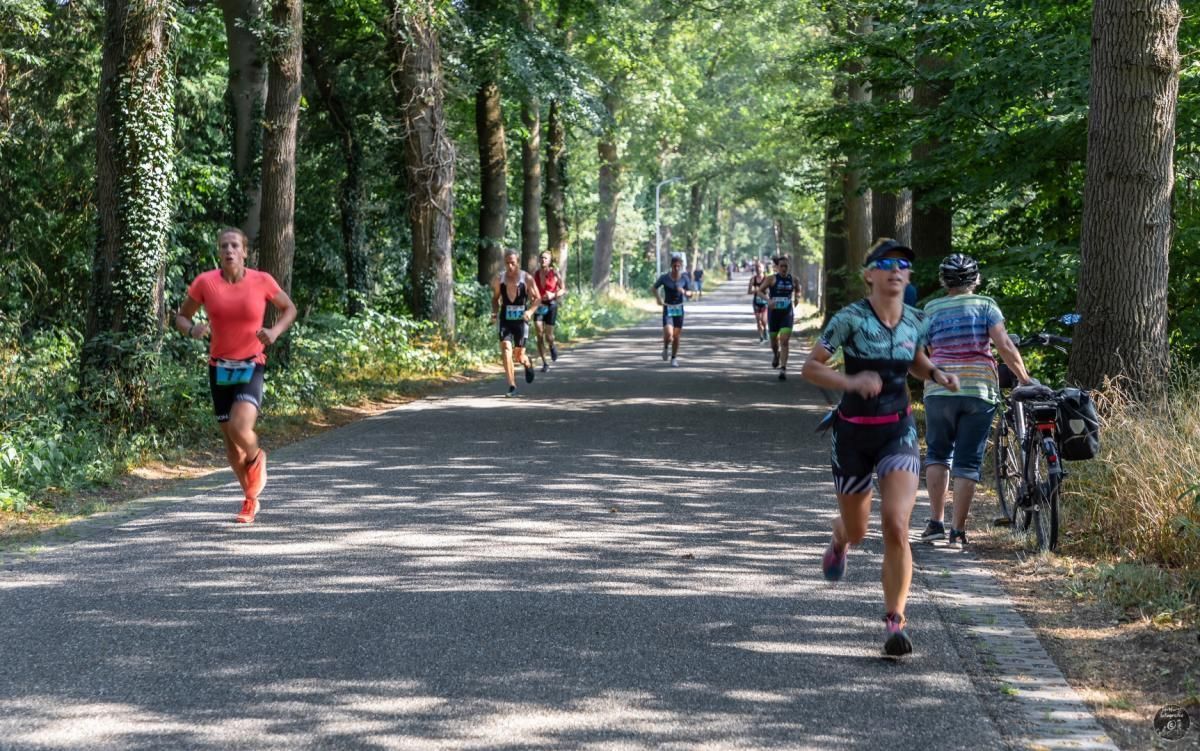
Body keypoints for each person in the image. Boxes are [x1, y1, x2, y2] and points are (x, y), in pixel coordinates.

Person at [800, 237, 960, 657]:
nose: (895, 271)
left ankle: (895, 621)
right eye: (886, 264)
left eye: (902, 265)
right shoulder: (850, 319)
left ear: (909, 276)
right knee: (857, 530)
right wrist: (850, 381)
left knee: (896, 524)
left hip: (897, 432)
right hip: (853, 434)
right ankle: (840, 537)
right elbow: (811, 367)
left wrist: (937, 374)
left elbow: (915, 359)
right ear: (869, 274)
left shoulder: (917, 320)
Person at [175, 227, 298, 524]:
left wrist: (274, 332)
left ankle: (257, 457)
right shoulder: (205, 282)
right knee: (231, 444)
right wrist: (192, 330)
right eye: (223, 246)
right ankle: (250, 499)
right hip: (219, 367)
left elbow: (289, 309)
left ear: (244, 252)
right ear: (219, 252)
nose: (228, 250)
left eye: (234, 245)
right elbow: (181, 316)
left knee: (239, 428)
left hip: (250, 364)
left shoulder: (261, 280)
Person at [920, 253, 1035, 547]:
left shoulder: (930, 309)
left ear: (943, 280)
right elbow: (1004, 344)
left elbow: (924, 350)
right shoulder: (986, 305)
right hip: (978, 390)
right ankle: (957, 532)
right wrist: (1024, 378)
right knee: (968, 460)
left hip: (939, 390)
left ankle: (935, 523)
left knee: (937, 454)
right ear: (976, 279)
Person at [491, 250, 541, 397]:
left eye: (512, 263)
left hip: (521, 321)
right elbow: (495, 299)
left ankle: (527, 363)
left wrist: (530, 312)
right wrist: (494, 313)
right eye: (507, 263)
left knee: (518, 356)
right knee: (506, 347)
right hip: (505, 319)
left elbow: (538, 298)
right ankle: (512, 385)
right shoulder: (499, 279)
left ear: (518, 262)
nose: (510, 266)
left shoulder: (527, 278)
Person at [756, 256, 800, 380]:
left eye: (786, 266)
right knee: (774, 341)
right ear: (777, 267)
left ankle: (783, 369)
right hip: (774, 314)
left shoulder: (793, 279)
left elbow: (798, 289)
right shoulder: (771, 279)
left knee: (784, 341)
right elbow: (759, 291)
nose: (784, 268)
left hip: (787, 313)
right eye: (782, 266)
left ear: (788, 267)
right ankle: (776, 355)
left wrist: (797, 297)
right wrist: (768, 300)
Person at [653, 254, 692, 367]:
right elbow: (654, 288)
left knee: (676, 336)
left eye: (679, 266)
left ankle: (674, 358)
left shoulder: (684, 278)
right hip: (668, 307)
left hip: (679, 308)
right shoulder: (664, 278)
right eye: (675, 266)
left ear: (681, 266)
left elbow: (690, 293)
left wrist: (684, 292)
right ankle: (665, 347)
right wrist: (658, 299)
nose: (676, 268)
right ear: (671, 266)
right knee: (669, 335)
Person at [532, 251, 565, 372]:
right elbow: (531, 289)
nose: (543, 260)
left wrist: (553, 294)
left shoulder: (554, 273)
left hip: (551, 305)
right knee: (539, 334)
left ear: (550, 261)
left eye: (545, 258)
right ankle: (545, 363)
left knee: (548, 336)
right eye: (541, 258)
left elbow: (563, 289)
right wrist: (533, 299)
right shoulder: (536, 274)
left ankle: (551, 345)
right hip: (539, 305)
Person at [747, 260, 768, 343]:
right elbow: (749, 292)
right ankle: (761, 337)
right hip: (756, 302)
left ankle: (765, 329)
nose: (758, 269)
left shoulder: (767, 279)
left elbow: (771, 290)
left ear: (763, 268)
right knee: (758, 320)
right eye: (756, 267)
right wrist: (755, 290)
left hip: (765, 302)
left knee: (763, 320)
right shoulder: (753, 279)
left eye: (760, 267)